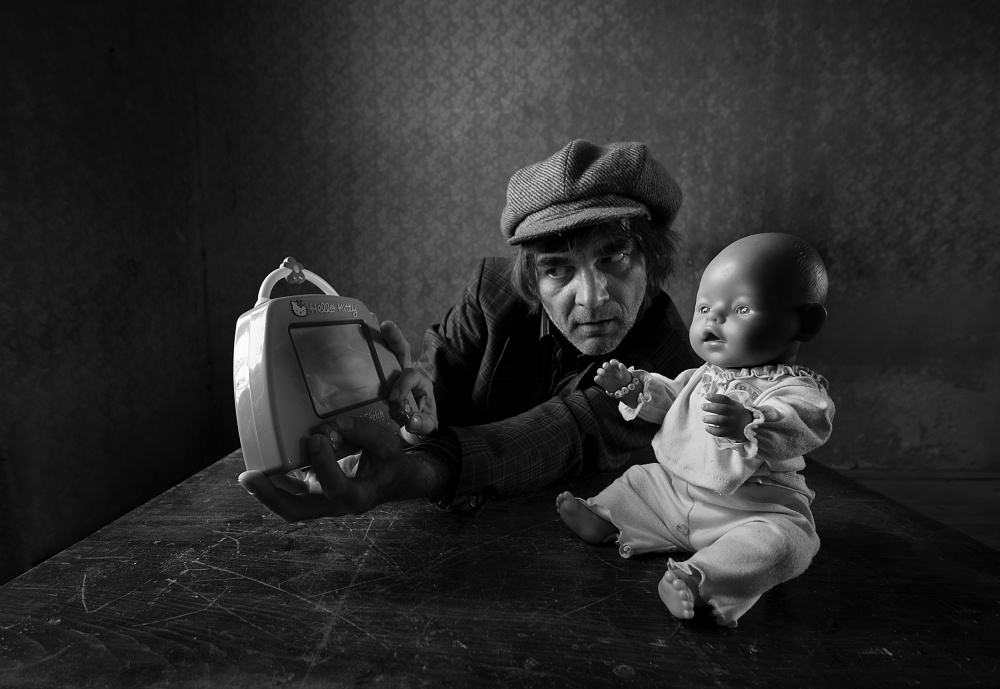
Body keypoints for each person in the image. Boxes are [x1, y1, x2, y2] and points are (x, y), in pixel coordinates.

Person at [238, 139, 699, 520]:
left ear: (651, 258)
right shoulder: (492, 294)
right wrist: (394, 408)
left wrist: (405, 475)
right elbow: (430, 405)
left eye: (614, 257)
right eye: (557, 270)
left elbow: (568, 430)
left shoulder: (674, 361)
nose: (592, 298)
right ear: (532, 278)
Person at [555, 232, 834, 627]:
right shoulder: (701, 375)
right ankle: (607, 517)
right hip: (676, 491)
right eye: (704, 307)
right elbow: (670, 400)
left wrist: (751, 423)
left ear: (804, 323)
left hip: (752, 508)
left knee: (785, 545)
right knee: (640, 480)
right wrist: (634, 389)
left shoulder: (796, 389)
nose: (713, 320)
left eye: (741, 309)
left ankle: (701, 581)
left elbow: (807, 422)